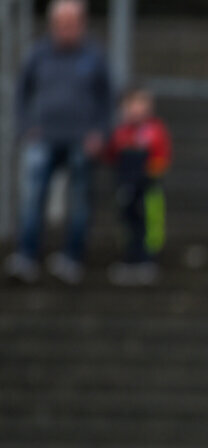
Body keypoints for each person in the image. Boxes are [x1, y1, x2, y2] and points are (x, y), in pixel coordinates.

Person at [4, 0, 112, 285]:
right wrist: (26, 126)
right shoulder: (38, 54)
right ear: (53, 23)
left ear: (82, 23)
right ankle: (27, 255)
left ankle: (72, 257)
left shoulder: (94, 55)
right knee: (32, 198)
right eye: (61, 23)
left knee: (79, 203)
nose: (66, 28)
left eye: (72, 22)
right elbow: (21, 93)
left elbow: (107, 99)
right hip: (43, 138)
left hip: (81, 140)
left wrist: (99, 132)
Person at [105, 86, 172, 287]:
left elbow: (162, 157)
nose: (137, 108)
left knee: (149, 224)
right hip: (126, 188)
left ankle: (147, 260)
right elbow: (112, 156)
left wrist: (148, 177)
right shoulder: (120, 133)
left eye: (142, 103)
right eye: (132, 103)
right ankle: (130, 258)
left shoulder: (155, 130)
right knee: (127, 223)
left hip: (148, 187)